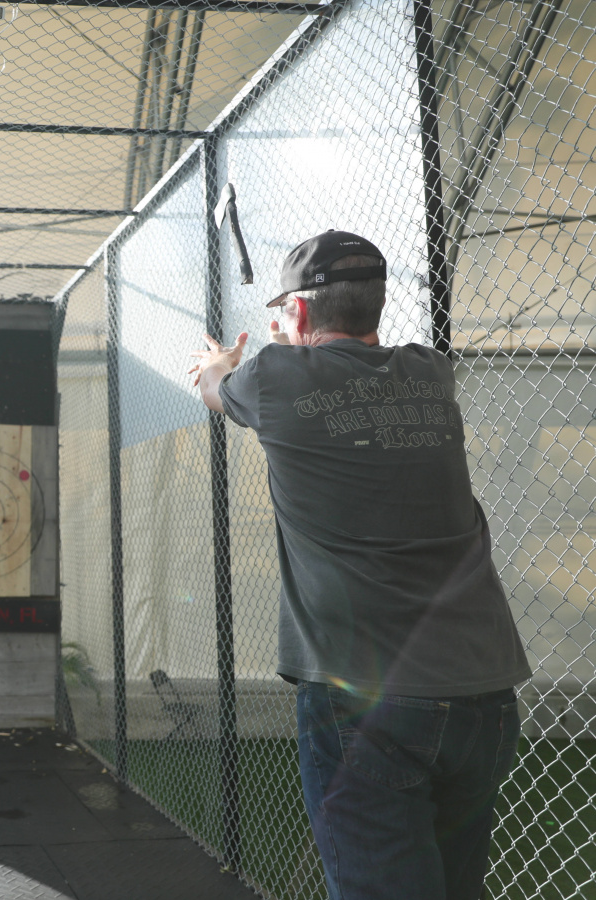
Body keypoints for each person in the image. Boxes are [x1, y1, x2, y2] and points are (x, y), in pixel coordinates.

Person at [188, 231, 531, 900]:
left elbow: (213, 385)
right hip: (483, 694)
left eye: (285, 310)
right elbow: (351, 383)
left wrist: (223, 361)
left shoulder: (274, 378)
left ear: (299, 312)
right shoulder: (430, 375)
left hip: (364, 701)